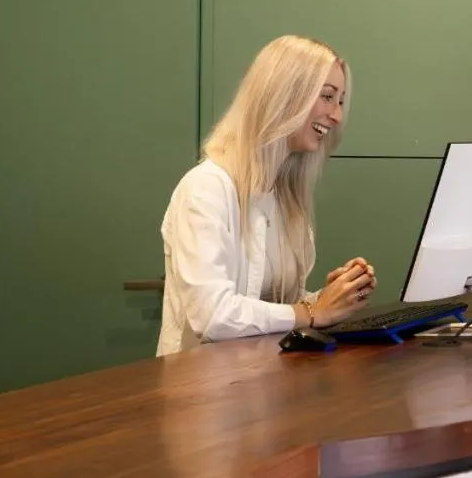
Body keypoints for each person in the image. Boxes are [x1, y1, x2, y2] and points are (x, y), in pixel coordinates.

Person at [156, 35, 377, 356]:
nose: (337, 115)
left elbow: (276, 310)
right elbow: (212, 316)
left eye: (340, 100)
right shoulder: (206, 188)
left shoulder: (283, 196)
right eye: (327, 97)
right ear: (284, 95)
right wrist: (313, 313)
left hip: (265, 387)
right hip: (201, 396)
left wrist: (331, 298)